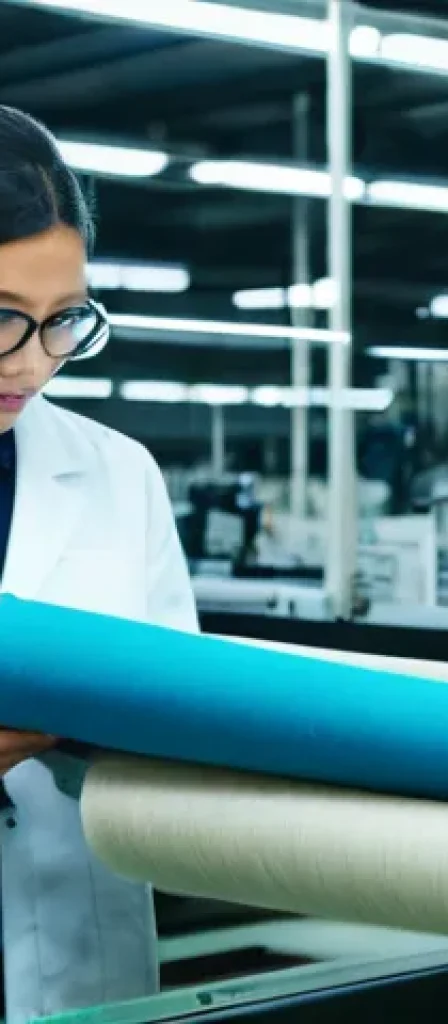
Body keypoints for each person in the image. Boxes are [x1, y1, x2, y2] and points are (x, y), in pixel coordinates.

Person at [0, 106, 198, 1021]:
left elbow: (183, 732)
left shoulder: (119, 475)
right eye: (4, 319)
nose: (34, 363)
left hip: (73, 969)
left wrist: (62, 727)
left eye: (64, 321)